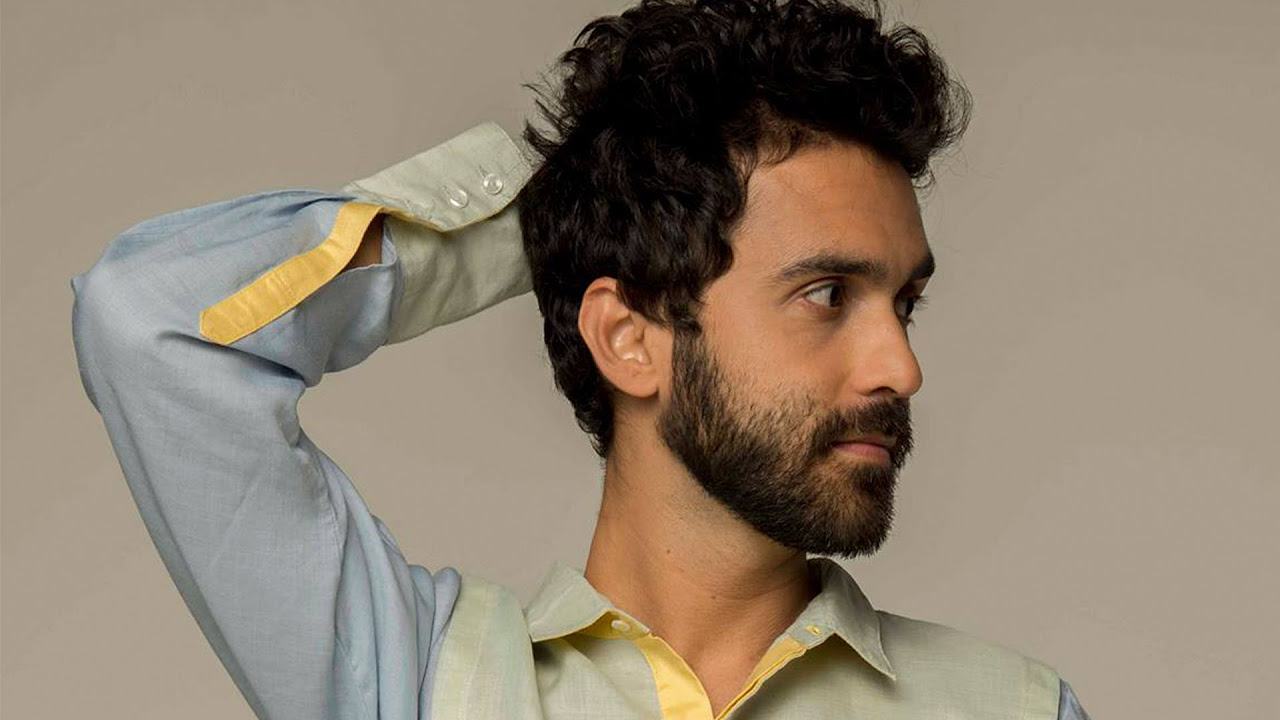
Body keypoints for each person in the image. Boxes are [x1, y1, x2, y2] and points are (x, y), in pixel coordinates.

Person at [70, 0, 1092, 718]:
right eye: (827, 294)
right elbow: (151, 319)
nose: (900, 368)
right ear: (628, 337)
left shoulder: (1015, 711)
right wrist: (569, 209)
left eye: (903, 304)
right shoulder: (423, 688)